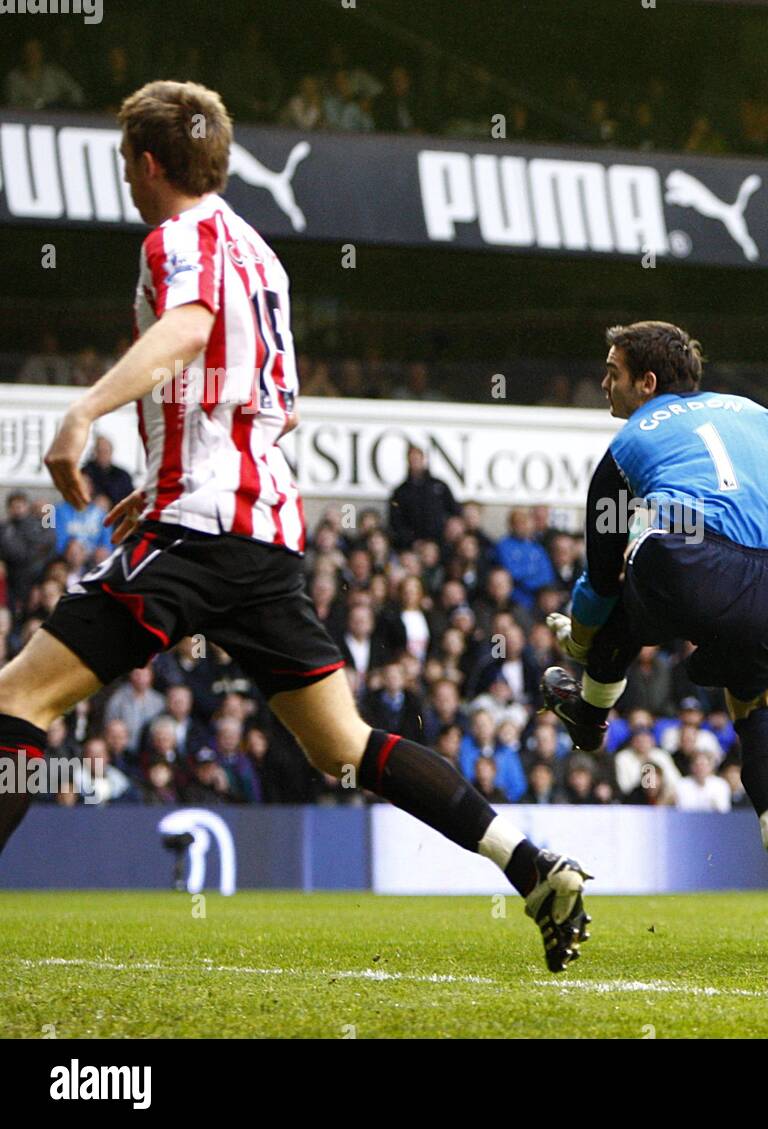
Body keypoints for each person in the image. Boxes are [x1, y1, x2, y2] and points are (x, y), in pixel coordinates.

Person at [0, 81, 589, 974]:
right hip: (262, 537)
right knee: (341, 745)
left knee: (18, 699)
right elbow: (275, 406)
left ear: (149, 163)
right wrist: (161, 477)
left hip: (199, 529)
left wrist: (84, 411)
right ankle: (532, 865)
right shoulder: (260, 254)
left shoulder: (178, 238)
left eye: (128, 160)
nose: (126, 177)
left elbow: (193, 328)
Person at [541, 321, 768, 933]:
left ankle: (590, 717)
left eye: (613, 372)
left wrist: (578, 639)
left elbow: (598, 585)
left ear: (646, 382)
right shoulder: (766, 418)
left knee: (626, 575)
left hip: (690, 566)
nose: (604, 383)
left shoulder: (626, 446)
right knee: (750, 705)